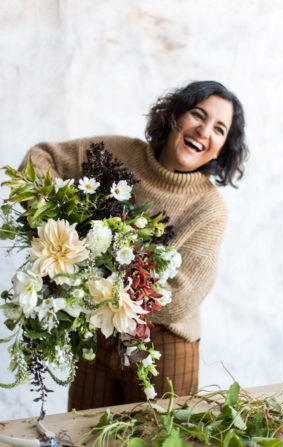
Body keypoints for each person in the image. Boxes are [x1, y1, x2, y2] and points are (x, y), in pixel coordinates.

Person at [19, 80, 248, 410]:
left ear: (222, 148)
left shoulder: (208, 209)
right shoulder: (116, 153)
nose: (203, 130)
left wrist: (96, 278)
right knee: (86, 432)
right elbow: (39, 159)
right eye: (198, 115)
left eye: (219, 129)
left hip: (164, 345)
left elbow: (180, 296)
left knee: (157, 438)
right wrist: (61, 228)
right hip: (96, 334)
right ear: (173, 117)